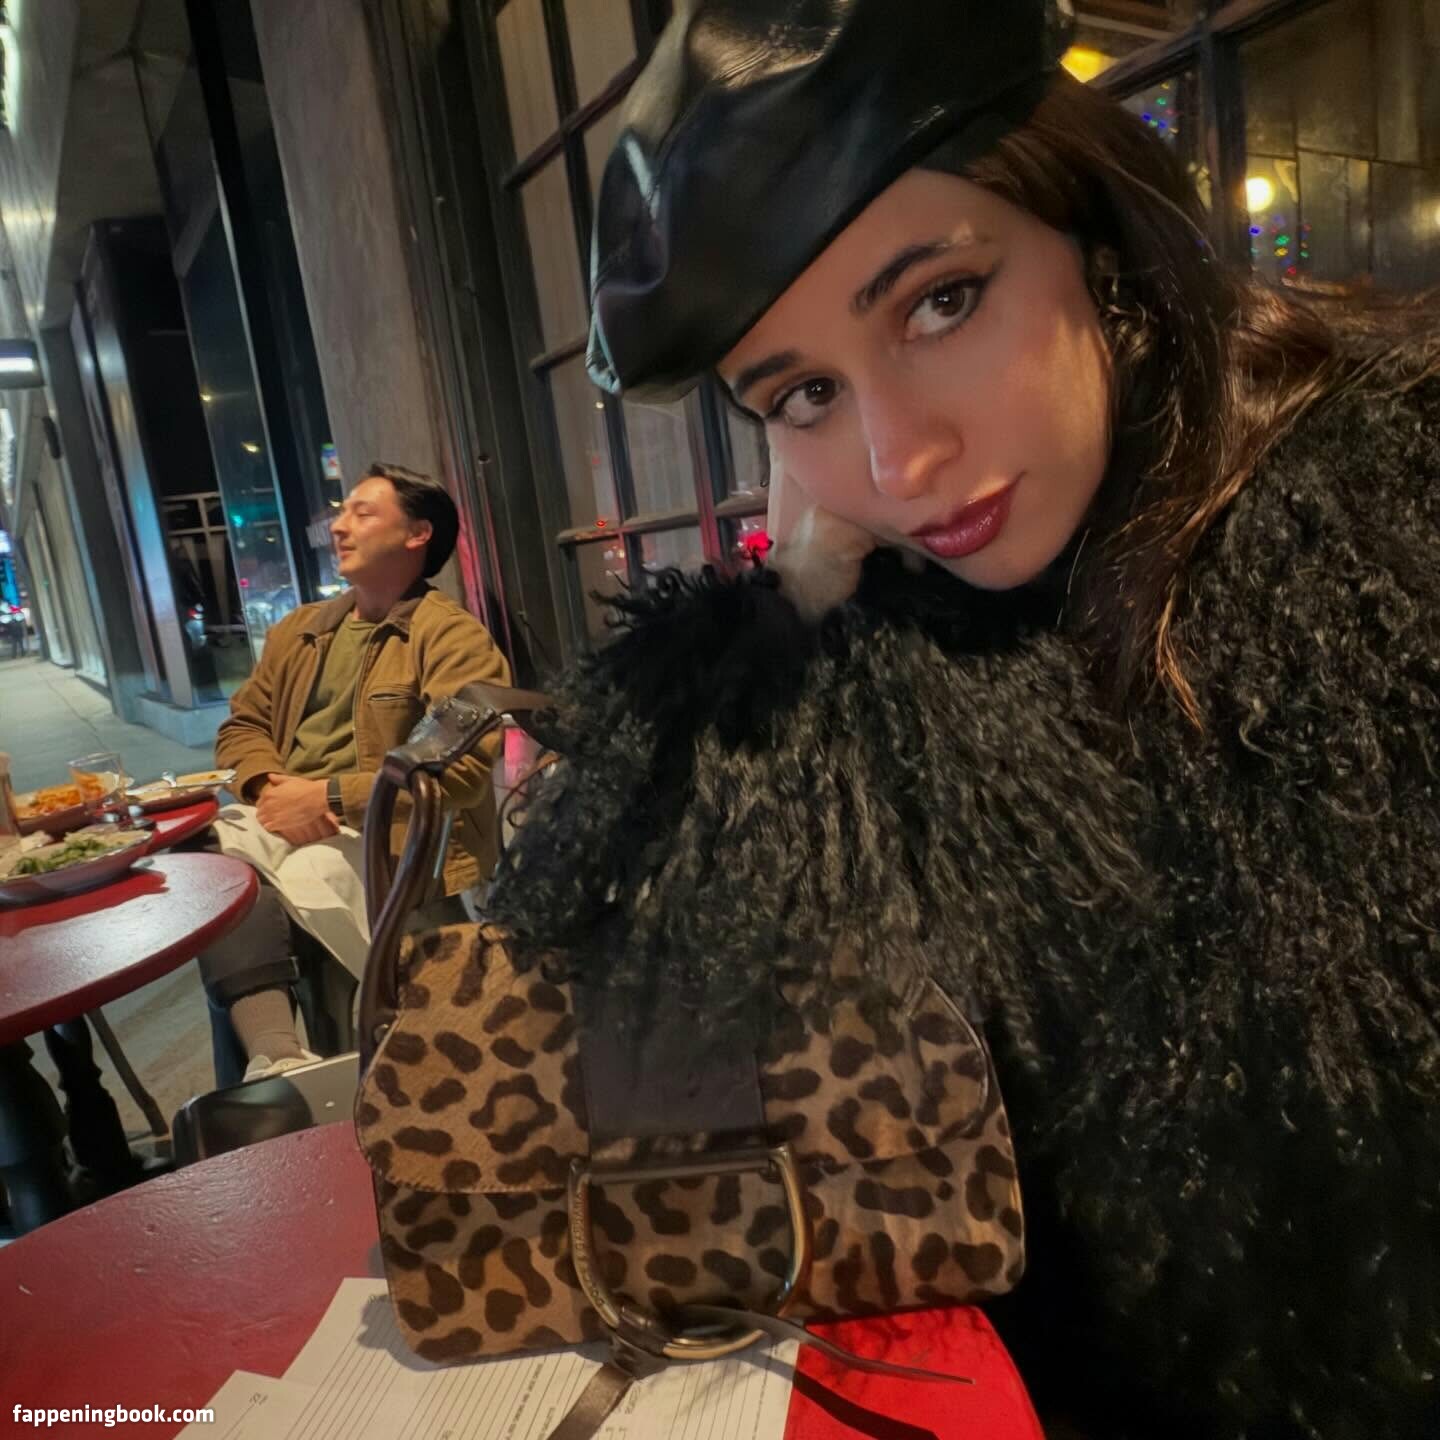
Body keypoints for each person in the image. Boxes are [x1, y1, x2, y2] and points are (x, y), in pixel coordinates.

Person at [482, 3, 1440, 1437]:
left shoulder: (1389, 534)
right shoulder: (888, 649)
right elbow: (652, 1063)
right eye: (805, 393)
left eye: (940, 302)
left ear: (1095, 239)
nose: (900, 459)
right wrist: (787, 616)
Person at [201, 462, 510, 1084]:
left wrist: (329, 797)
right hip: (284, 816)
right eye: (340, 512)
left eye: (362, 513)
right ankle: (277, 1059)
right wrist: (268, 788)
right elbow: (240, 729)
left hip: (386, 840)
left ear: (417, 534)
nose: (338, 526)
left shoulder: (450, 637)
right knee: (211, 871)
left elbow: (458, 765)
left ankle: (302, 1071)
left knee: (274, 883)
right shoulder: (300, 632)